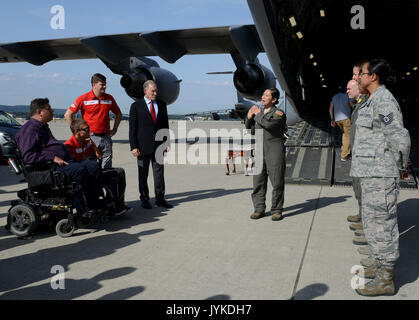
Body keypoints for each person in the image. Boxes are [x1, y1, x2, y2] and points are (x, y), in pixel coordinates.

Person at [350, 59, 411, 296]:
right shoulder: (372, 101)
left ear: (373, 77)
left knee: (383, 226)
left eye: (361, 75)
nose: (358, 78)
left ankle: (386, 278)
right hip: (370, 174)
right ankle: (378, 265)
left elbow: (399, 136)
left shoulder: (384, 100)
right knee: (372, 225)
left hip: (381, 175)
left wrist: (399, 166)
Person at [15, 98, 102, 216]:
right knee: (79, 170)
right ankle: (81, 209)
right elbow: (28, 157)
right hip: (47, 169)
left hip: (63, 162)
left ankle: (94, 204)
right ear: (40, 112)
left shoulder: (42, 127)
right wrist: (52, 157)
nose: (52, 110)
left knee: (93, 165)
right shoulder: (30, 130)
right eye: (49, 109)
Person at [64, 119, 132, 215]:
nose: (90, 131)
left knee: (120, 172)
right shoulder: (69, 146)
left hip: (94, 172)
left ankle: (117, 205)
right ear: (77, 132)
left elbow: (99, 156)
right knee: (112, 177)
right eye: (86, 129)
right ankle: (105, 205)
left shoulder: (87, 142)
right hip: (87, 176)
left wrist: (94, 146)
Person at [129, 80, 172, 209]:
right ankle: (144, 199)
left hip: (158, 145)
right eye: (153, 91)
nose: (155, 93)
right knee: (143, 174)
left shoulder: (161, 104)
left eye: (156, 91)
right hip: (142, 146)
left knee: (159, 174)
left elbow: (165, 125)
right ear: (145, 91)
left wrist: (166, 142)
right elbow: (133, 128)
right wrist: (134, 146)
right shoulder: (136, 106)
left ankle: (160, 198)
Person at [245, 88, 287, 221]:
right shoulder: (260, 112)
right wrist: (248, 117)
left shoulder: (279, 113)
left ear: (274, 100)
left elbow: (269, 124)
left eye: (267, 95)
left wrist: (257, 114)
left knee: (277, 182)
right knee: (258, 182)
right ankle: (259, 209)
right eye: (263, 94)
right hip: (259, 151)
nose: (263, 97)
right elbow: (252, 131)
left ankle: (276, 210)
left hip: (274, 150)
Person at [64, 73, 122, 169]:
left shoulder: (109, 98)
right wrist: (77, 132)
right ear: (94, 84)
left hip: (105, 137)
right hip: (90, 138)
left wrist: (115, 129)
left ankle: (104, 184)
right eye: (102, 84)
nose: (105, 86)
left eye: (105, 84)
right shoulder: (83, 98)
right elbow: (68, 114)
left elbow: (118, 114)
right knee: (91, 166)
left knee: (106, 168)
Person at [329, 86, 352, 161]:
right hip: (346, 118)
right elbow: (351, 104)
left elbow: (330, 108)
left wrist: (332, 119)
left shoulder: (334, 97)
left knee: (344, 134)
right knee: (348, 136)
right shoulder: (347, 95)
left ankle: (343, 148)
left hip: (337, 119)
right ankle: (344, 156)